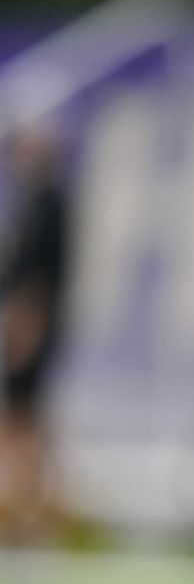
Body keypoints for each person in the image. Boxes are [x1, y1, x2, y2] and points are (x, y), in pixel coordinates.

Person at [0, 124, 69, 544]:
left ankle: (31, 508)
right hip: (25, 319)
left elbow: (40, 277)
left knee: (25, 416)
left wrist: (28, 321)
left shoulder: (48, 204)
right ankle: (28, 506)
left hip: (32, 323)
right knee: (23, 415)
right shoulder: (29, 202)